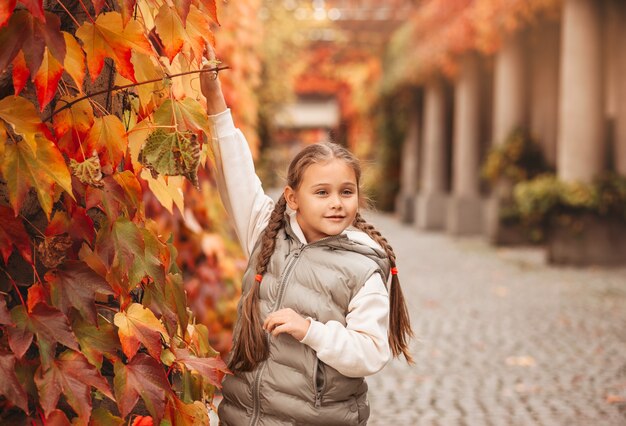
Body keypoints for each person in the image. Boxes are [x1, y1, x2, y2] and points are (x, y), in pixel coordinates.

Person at [200, 54, 413, 426]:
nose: (336, 203)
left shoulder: (363, 268)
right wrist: (215, 101)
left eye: (346, 192)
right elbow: (236, 174)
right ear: (293, 198)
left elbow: (372, 351)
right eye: (322, 192)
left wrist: (311, 331)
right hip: (242, 417)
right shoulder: (267, 232)